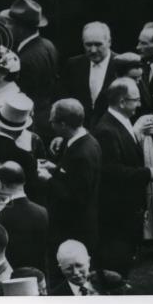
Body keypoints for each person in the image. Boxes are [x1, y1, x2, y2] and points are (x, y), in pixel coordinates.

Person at [92, 78, 153, 275]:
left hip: (125, 207)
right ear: (122, 102)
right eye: (136, 100)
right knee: (117, 254)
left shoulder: (119, 123)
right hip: (118, 209)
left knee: (125, 252)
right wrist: (148, 173)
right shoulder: (106, 130)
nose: (139, 105)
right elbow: (111, 170)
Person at [38, 98, 101, 258]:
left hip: (75, 228)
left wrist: (49, 179)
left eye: (53, 121)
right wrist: (56, 169)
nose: (50, 124)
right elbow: (74, 177)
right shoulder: (82, 141)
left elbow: (77, 197)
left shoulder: (82, 154)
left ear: (63, 124)